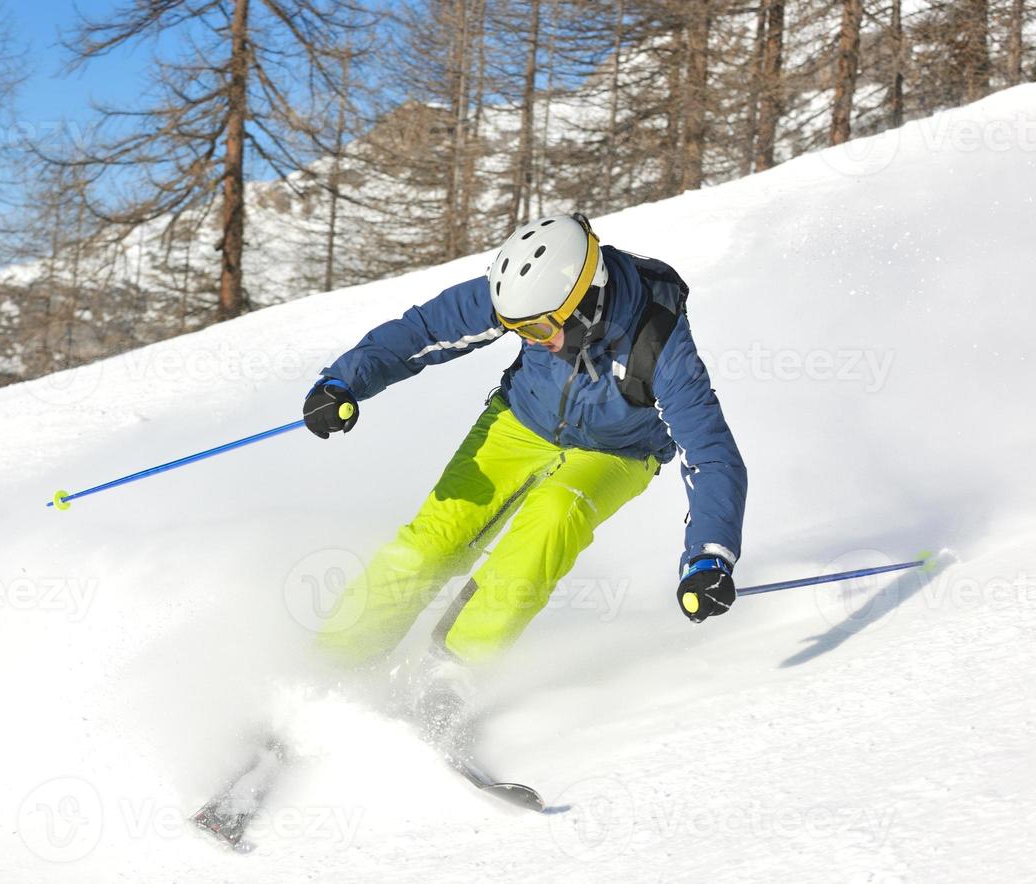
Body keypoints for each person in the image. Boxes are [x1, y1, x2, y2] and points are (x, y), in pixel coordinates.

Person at [301, 213, 746, 733]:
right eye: (517, 330)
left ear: (587, 303)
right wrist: (345, 382)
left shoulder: (659, 338)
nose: (529, 341)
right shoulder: (526, 291)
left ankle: (450, 676)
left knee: (553, 520)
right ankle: (331, 664)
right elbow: (426, 330)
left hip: (618, 451)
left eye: (537, 329)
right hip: (522, 419)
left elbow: (710, 452)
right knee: (431, 541)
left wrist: (709, 558)